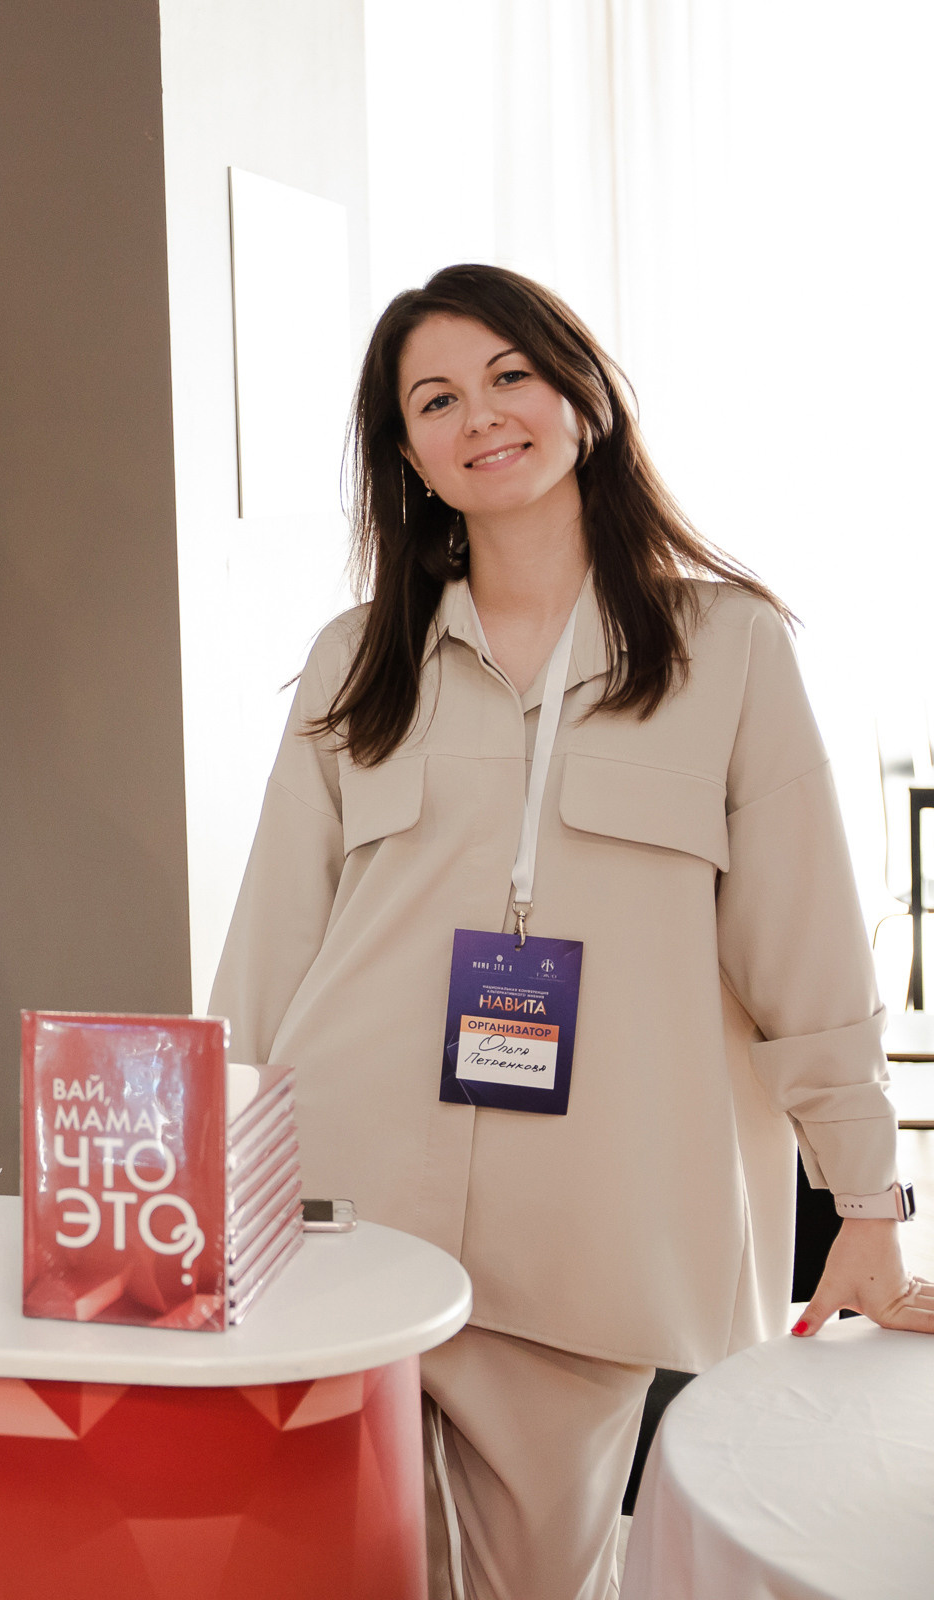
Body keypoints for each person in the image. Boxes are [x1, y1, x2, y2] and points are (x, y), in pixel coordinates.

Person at [210, 264, 931, 1600]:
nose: (479, 415)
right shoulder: (352, 659)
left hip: (594, 1220)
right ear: (408, 454)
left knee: (543, 1581)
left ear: (581, 395)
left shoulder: (728, 649)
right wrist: (209, 1175)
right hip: (350, 1200)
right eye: (434, 398)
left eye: (508, 376)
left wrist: (870, 1201)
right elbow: (271, 946)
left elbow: (808, 954)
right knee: (338, 1566)